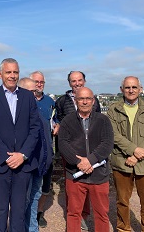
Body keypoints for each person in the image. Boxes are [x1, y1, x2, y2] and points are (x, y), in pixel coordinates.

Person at [0, 58, 40, 232]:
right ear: (0, 74)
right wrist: (7, 157)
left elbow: (35, 128)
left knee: (19, 210)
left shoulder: (28, 96)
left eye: (15, 72)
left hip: (23, 163)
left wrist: (22, 155)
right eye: (8, 72)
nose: (12, 76)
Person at [107, 76, 144, 232]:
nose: (131, 90)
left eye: (134, 87)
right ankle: (124, 229)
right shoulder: (113, 109)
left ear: (140, 89)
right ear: (121, 89)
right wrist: (133, 150)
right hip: (122, 162)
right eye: (128, 87)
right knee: (122, 201)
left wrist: (136, 155)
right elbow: (114, 134)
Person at [58, 87, 114, 232]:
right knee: (74, 213)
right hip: (75, 174)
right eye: (81, 99)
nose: (84, 102)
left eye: (88, 98)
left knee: (101, 214)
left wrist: (90, 160)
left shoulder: (103, 120)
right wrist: (79, 162)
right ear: (75, 101)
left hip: (98, 174)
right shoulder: (67, 121)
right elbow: (63, 144)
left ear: (93, 101)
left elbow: (107, 143)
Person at [55, 70, 100, 230]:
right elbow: (58, 119)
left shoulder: (94, 100)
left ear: (84, 81)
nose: (77, 83)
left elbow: (98, 122)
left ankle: (84, 215)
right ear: (69, 83)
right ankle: (75, 217)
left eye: (79, 80)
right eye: (73, 81)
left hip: (89, 150)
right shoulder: (61, 101)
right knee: (72, 186)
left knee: (89, 184)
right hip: (70, 150)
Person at [18, 77, 53, 232]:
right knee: (23, 201)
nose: (34, 94)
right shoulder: (17, 114)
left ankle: (32, 229)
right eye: (30, 91)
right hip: (25, 167)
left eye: (35, 91)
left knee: (34, 199)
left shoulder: (36, 113)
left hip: (39, 165)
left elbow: (45, 141)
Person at [29, 71, 57, 228]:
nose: (39, 84)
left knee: (45, 187)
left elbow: (56, 118)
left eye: (41, 82)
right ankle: (30, 217)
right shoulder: (25, 99)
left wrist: (57, 124)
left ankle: (39, 213)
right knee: (31, 189)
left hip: (46, 152)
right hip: (31, 154)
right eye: (36, 81)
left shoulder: (49, 101)